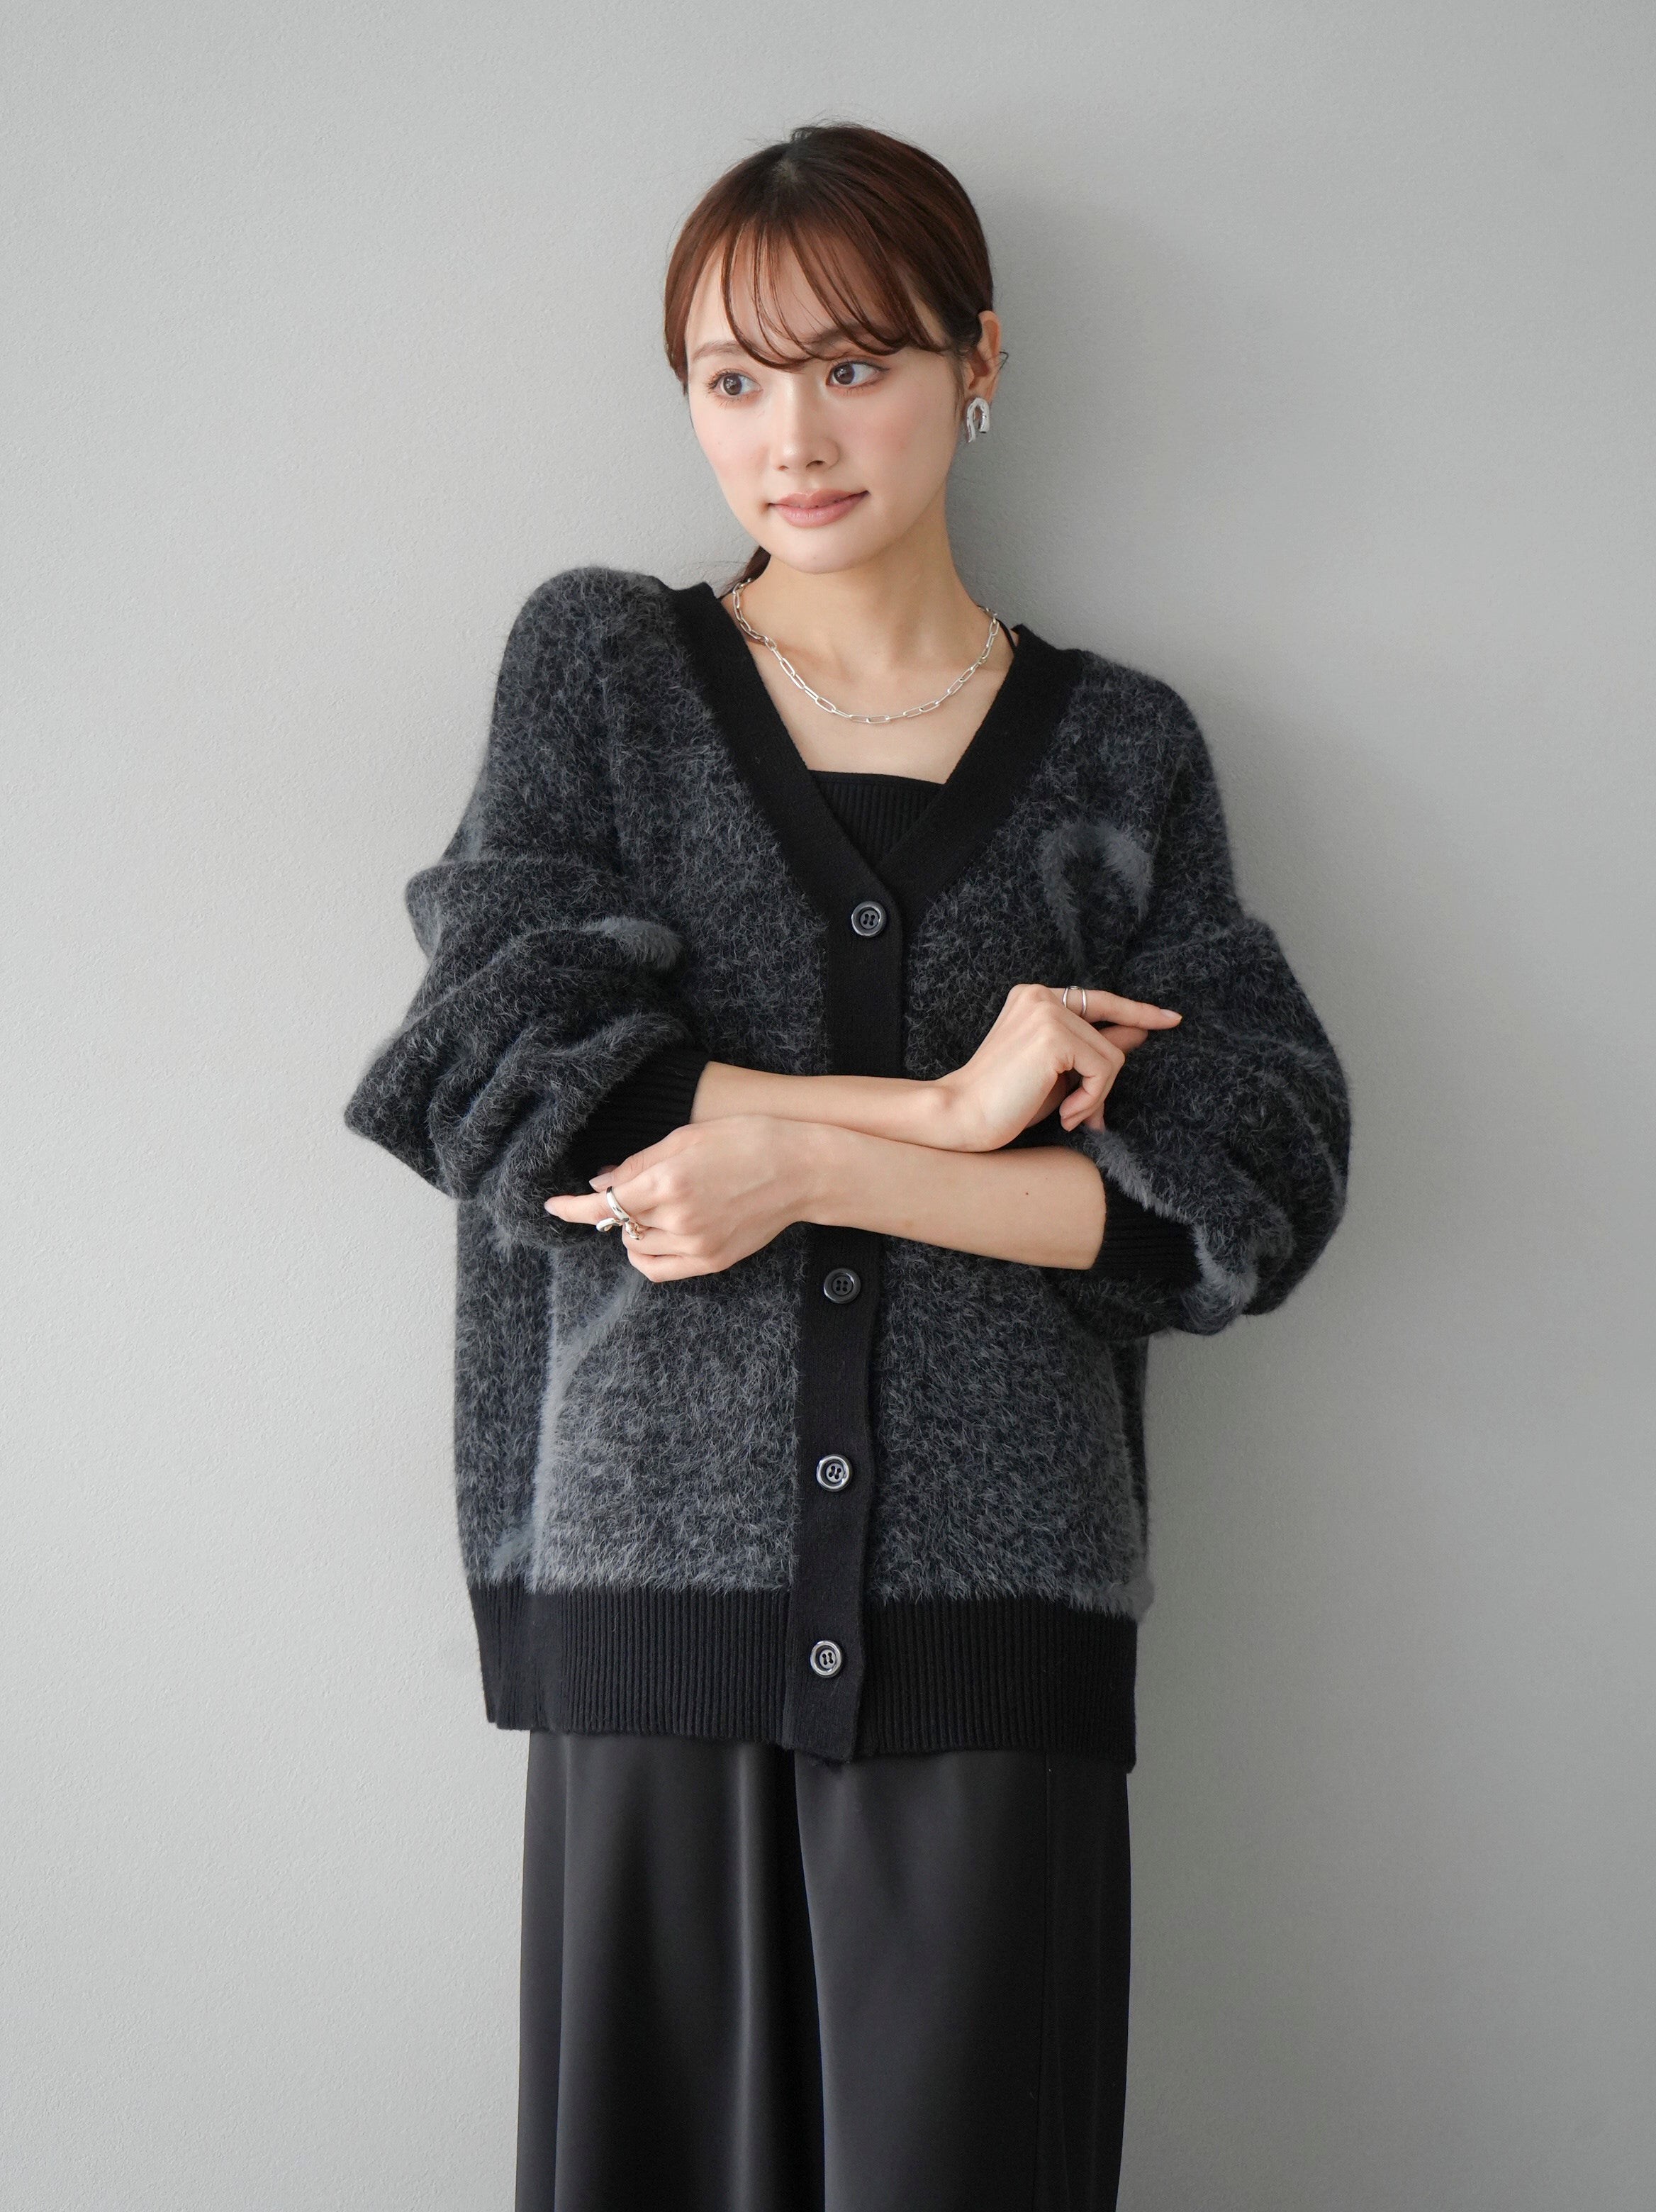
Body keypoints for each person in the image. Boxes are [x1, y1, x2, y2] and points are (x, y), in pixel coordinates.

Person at [343, 121, 1350, 2212]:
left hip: (998, 1613)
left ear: (978, 362)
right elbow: (516, 1082)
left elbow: (1235, 1196)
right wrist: (948, 1116)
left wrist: (799, 1170)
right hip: (658, 1597)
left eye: (853, 367)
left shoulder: (1120, 753)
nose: (790, 439)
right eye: (732, 380)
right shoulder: (605, 675)